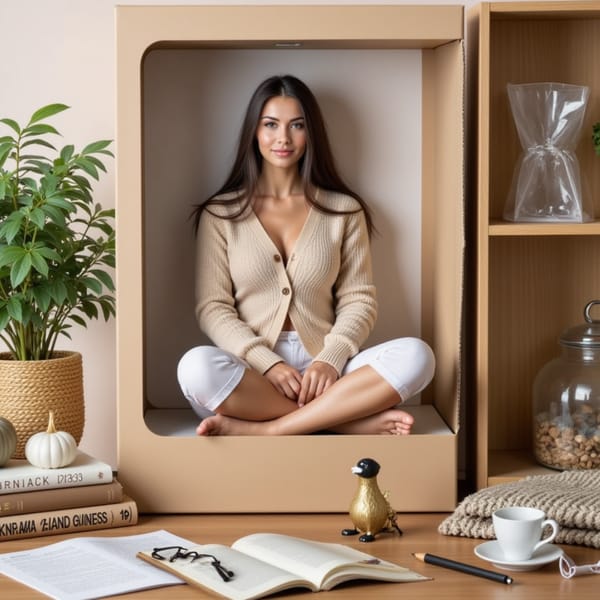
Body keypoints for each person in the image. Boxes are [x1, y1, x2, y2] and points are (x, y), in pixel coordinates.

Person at [177, 74, 435, 436]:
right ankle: (345, 422)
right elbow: (213, 308)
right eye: (270, 125)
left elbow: (359, 300)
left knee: (418, 356)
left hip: (331, 369)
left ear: (310, 134)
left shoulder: (343, 211)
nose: (283, 138)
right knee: (195, 369)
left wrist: (330, 361)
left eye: (296, 125)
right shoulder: (221, 215)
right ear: (254, 132)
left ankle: (270, 430)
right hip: (252, 371)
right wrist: (268, 364)